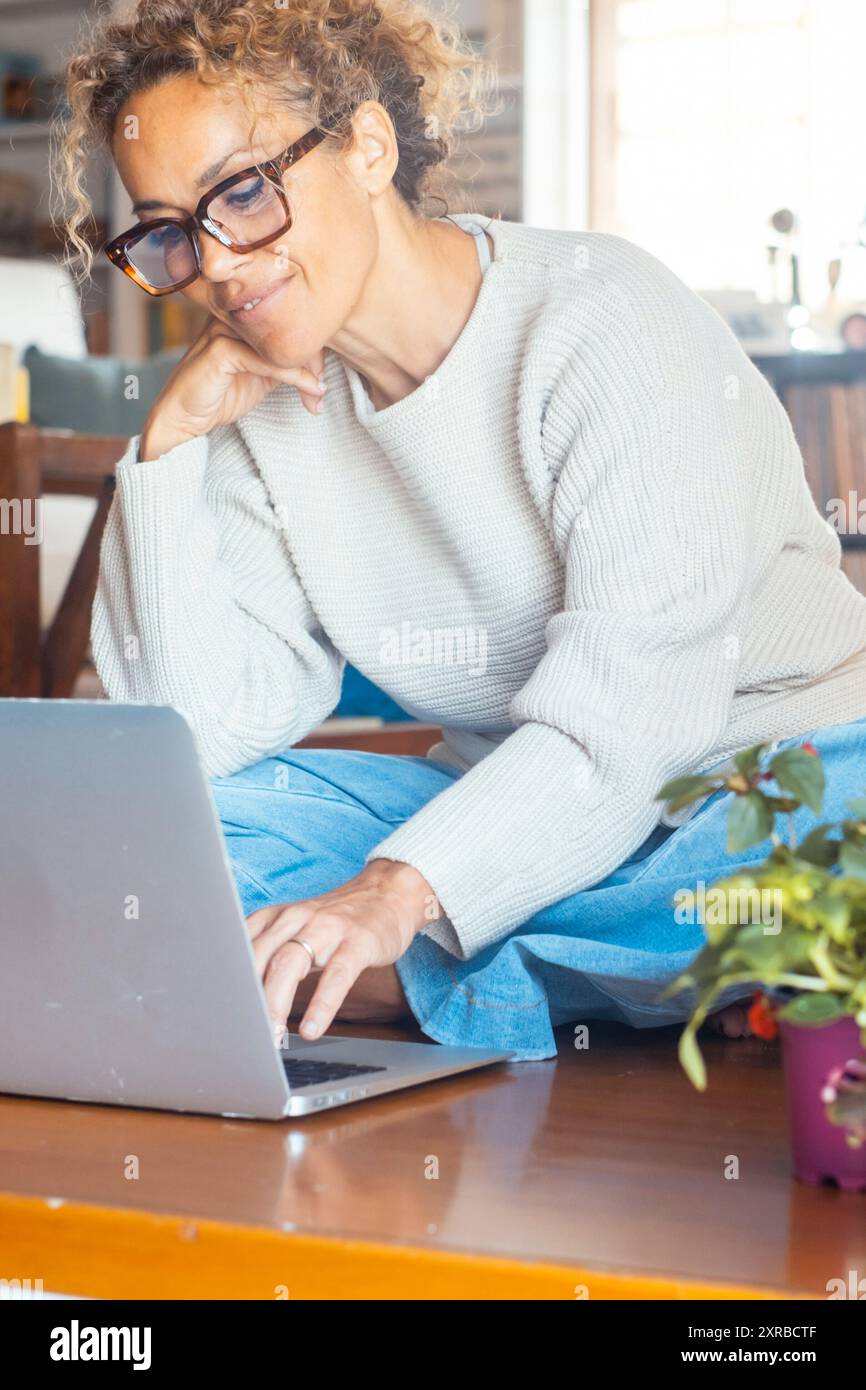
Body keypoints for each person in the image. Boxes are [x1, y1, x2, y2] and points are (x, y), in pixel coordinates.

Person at [59, 0, 866, 1060]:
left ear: (366, 145)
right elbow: (191, 737)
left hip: (762, 778)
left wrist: (396, 888)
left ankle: (408, 969)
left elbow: (624, 732)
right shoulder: (259, 408)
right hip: (496, 800)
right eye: (167, 229)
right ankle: (576, 970)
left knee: (818, 868)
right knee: (141, 835)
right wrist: (166, 450)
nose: (211, 262)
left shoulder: (603, 323)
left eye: (242, 193)